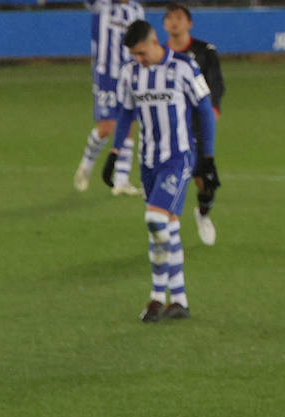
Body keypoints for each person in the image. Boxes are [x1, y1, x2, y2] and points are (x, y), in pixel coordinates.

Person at [112, 19, 218, 322]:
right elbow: (125, 115)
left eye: (142, 53)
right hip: (148, 162)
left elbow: (204, 110)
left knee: (155, 219)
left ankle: (159, 295)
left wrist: (207, 157)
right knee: (164, 226)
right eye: (134, 55)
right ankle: (176, 299)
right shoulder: (130, 74)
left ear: (154, 42)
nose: (138, 60)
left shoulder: (184, 66)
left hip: (178, 158)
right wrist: (115, 153)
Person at [163, 2, 225, 246]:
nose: (174, 22)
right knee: (170, 177)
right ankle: (165, 227)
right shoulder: (159, 53)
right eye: (169, 18)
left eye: (179, 17)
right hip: (170, 125)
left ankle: (203, 213)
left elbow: (216, 83)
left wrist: (214, 108)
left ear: (189, 23)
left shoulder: (205, 51)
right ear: (164, 24)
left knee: (204, 180)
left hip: (198, 122)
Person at [75, 0, 145, 196]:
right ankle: (86, 164)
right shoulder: (101, 5)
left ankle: (121, 181)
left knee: (129, 124)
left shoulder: (136, 10)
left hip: (129, 75)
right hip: (106, 75)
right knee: (106, 127)